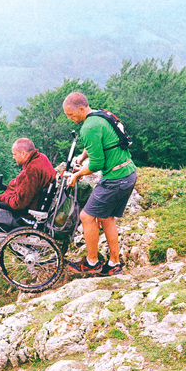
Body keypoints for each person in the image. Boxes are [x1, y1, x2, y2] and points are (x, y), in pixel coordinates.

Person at [62, 92, 137, 276]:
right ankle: (114, 264)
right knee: (106, 217)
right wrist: (82, 157)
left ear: (81, 109)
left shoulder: (88, 127)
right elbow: (102, 142)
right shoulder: (100, 115)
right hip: (128, 173)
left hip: (114, 178)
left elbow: (97, 165)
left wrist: (78, 174)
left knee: (87, 217)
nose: (70, 119)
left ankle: (92, 263)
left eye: (71, 115)